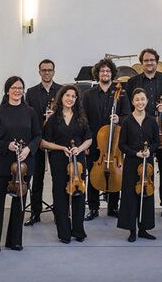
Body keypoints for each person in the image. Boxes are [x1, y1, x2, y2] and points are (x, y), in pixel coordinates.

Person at [0, 76, 41, 252]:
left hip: (24, 164)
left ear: (23, 91)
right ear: (7, 90)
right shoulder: (0, 112)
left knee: (19, 203)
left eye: (20, 88)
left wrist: (29, 150)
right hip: (4, 163)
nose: (17, 90)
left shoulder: (30, 112)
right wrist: (6, 145)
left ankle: (15, 241)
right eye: (14, 87)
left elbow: (37, 135)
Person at [126, 48, 162, 218]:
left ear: (157, 62)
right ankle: (140, 200)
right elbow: (127, 105)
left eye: (152, 60)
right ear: (142, 63)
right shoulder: (133, 81)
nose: (149, 63)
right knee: (141, 168)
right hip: (140, 130)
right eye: (146, 60)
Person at [41, 85, 92, 244]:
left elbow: (89, 139)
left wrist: (80, 149)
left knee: (79, 194)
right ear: (61, 97)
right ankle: (64, 233)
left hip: (78, 162)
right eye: (67, 95)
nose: (70, 98)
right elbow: (44, 142)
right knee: (60, 196)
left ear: (76, 99)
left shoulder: (81, 118)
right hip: (59, 159)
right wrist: (61, 147)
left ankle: (78, 230)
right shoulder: (53, 119)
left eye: (73, 96)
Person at [81, 58, 130, 220]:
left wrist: (119, 119)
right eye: (102, 71)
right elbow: (83, 119)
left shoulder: (121, 94)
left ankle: (113, 207)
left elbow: (128, 116)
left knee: (116, 173)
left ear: (112, 74)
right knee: (93, 173)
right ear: (97, 74)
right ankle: (93, 208)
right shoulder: (88, 94)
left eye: (108, 71)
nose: (105, 73)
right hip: (95, 141)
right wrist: (85, 142)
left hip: (115, 141)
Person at [117, 88, 160, 242]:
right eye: (137, 100)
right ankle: (132, 230)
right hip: (131, 162)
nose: (140, 102)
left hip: (147, 163)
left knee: (146, 194)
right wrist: (135, 153)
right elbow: (121, 145)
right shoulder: (127, 121)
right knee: (130, 196)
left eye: (143, 99)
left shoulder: (152, 121)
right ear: (132, 102)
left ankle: (144, 229)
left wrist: (150, 152)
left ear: (147, 101)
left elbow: (157, 142)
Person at [23, 59, 61, 226]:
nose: (47, 73)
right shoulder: (31, 93)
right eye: (43, 70)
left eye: (49, 70)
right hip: (37, 139)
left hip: (56, 140)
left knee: (57, 178)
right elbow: (27, 117)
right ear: (39, 72)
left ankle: (59, 212)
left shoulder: (61, 90)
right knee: (36, 178)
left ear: (54, 71)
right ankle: (35, 213)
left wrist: (54, 116)